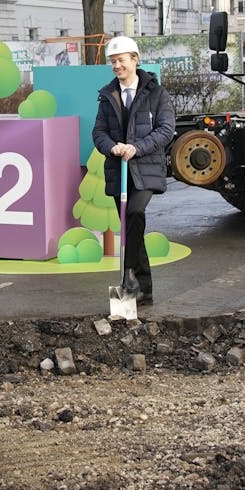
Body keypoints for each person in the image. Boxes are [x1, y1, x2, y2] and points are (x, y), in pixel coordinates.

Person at [91, 36, 175, 305]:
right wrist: (112, 147)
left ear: (135, 60)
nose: (117, 66)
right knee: (130, 226)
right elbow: (98, 132)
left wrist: (137, 148)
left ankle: (129, 278)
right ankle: (144, 287)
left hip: (146, 169)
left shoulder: (156, 93)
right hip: (120, 170)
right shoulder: (107, 95)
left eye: (121, 60)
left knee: (135, 215)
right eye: (113, 61)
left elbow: (165, 130)